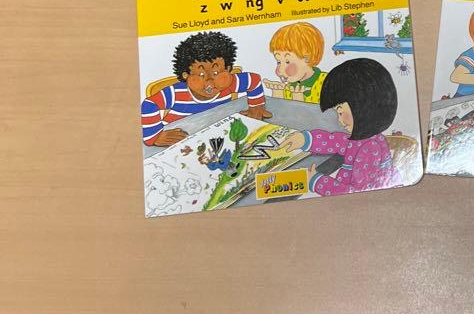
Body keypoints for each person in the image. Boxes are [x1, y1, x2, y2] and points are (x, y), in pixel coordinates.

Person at [283, 59, 401, 196]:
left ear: (361, 107)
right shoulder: (363, 138)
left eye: (340, 112)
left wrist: (316, 181)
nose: (339, 120)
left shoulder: (370, 147)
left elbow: (355, 195)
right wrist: (305, 139)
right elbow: (336, 141)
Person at [140, 31, 270, 147]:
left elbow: (253, 80)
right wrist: (154, 137)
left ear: (228, 69)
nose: (209, 81)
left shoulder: (229, 83)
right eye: (201, 75)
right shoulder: (175, 93)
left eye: (215, 73)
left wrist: (256, 106)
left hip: (216, 135)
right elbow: (149, 104)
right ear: (186, 75)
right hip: (180, 140)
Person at [263, 21, 328, 103]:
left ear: (307, 58)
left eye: (287, 62)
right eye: (279, 62)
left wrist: (298, 96)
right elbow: (281, 110)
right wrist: (277, 92)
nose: (280, 71)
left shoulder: (327, 82)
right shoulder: (288, 88)